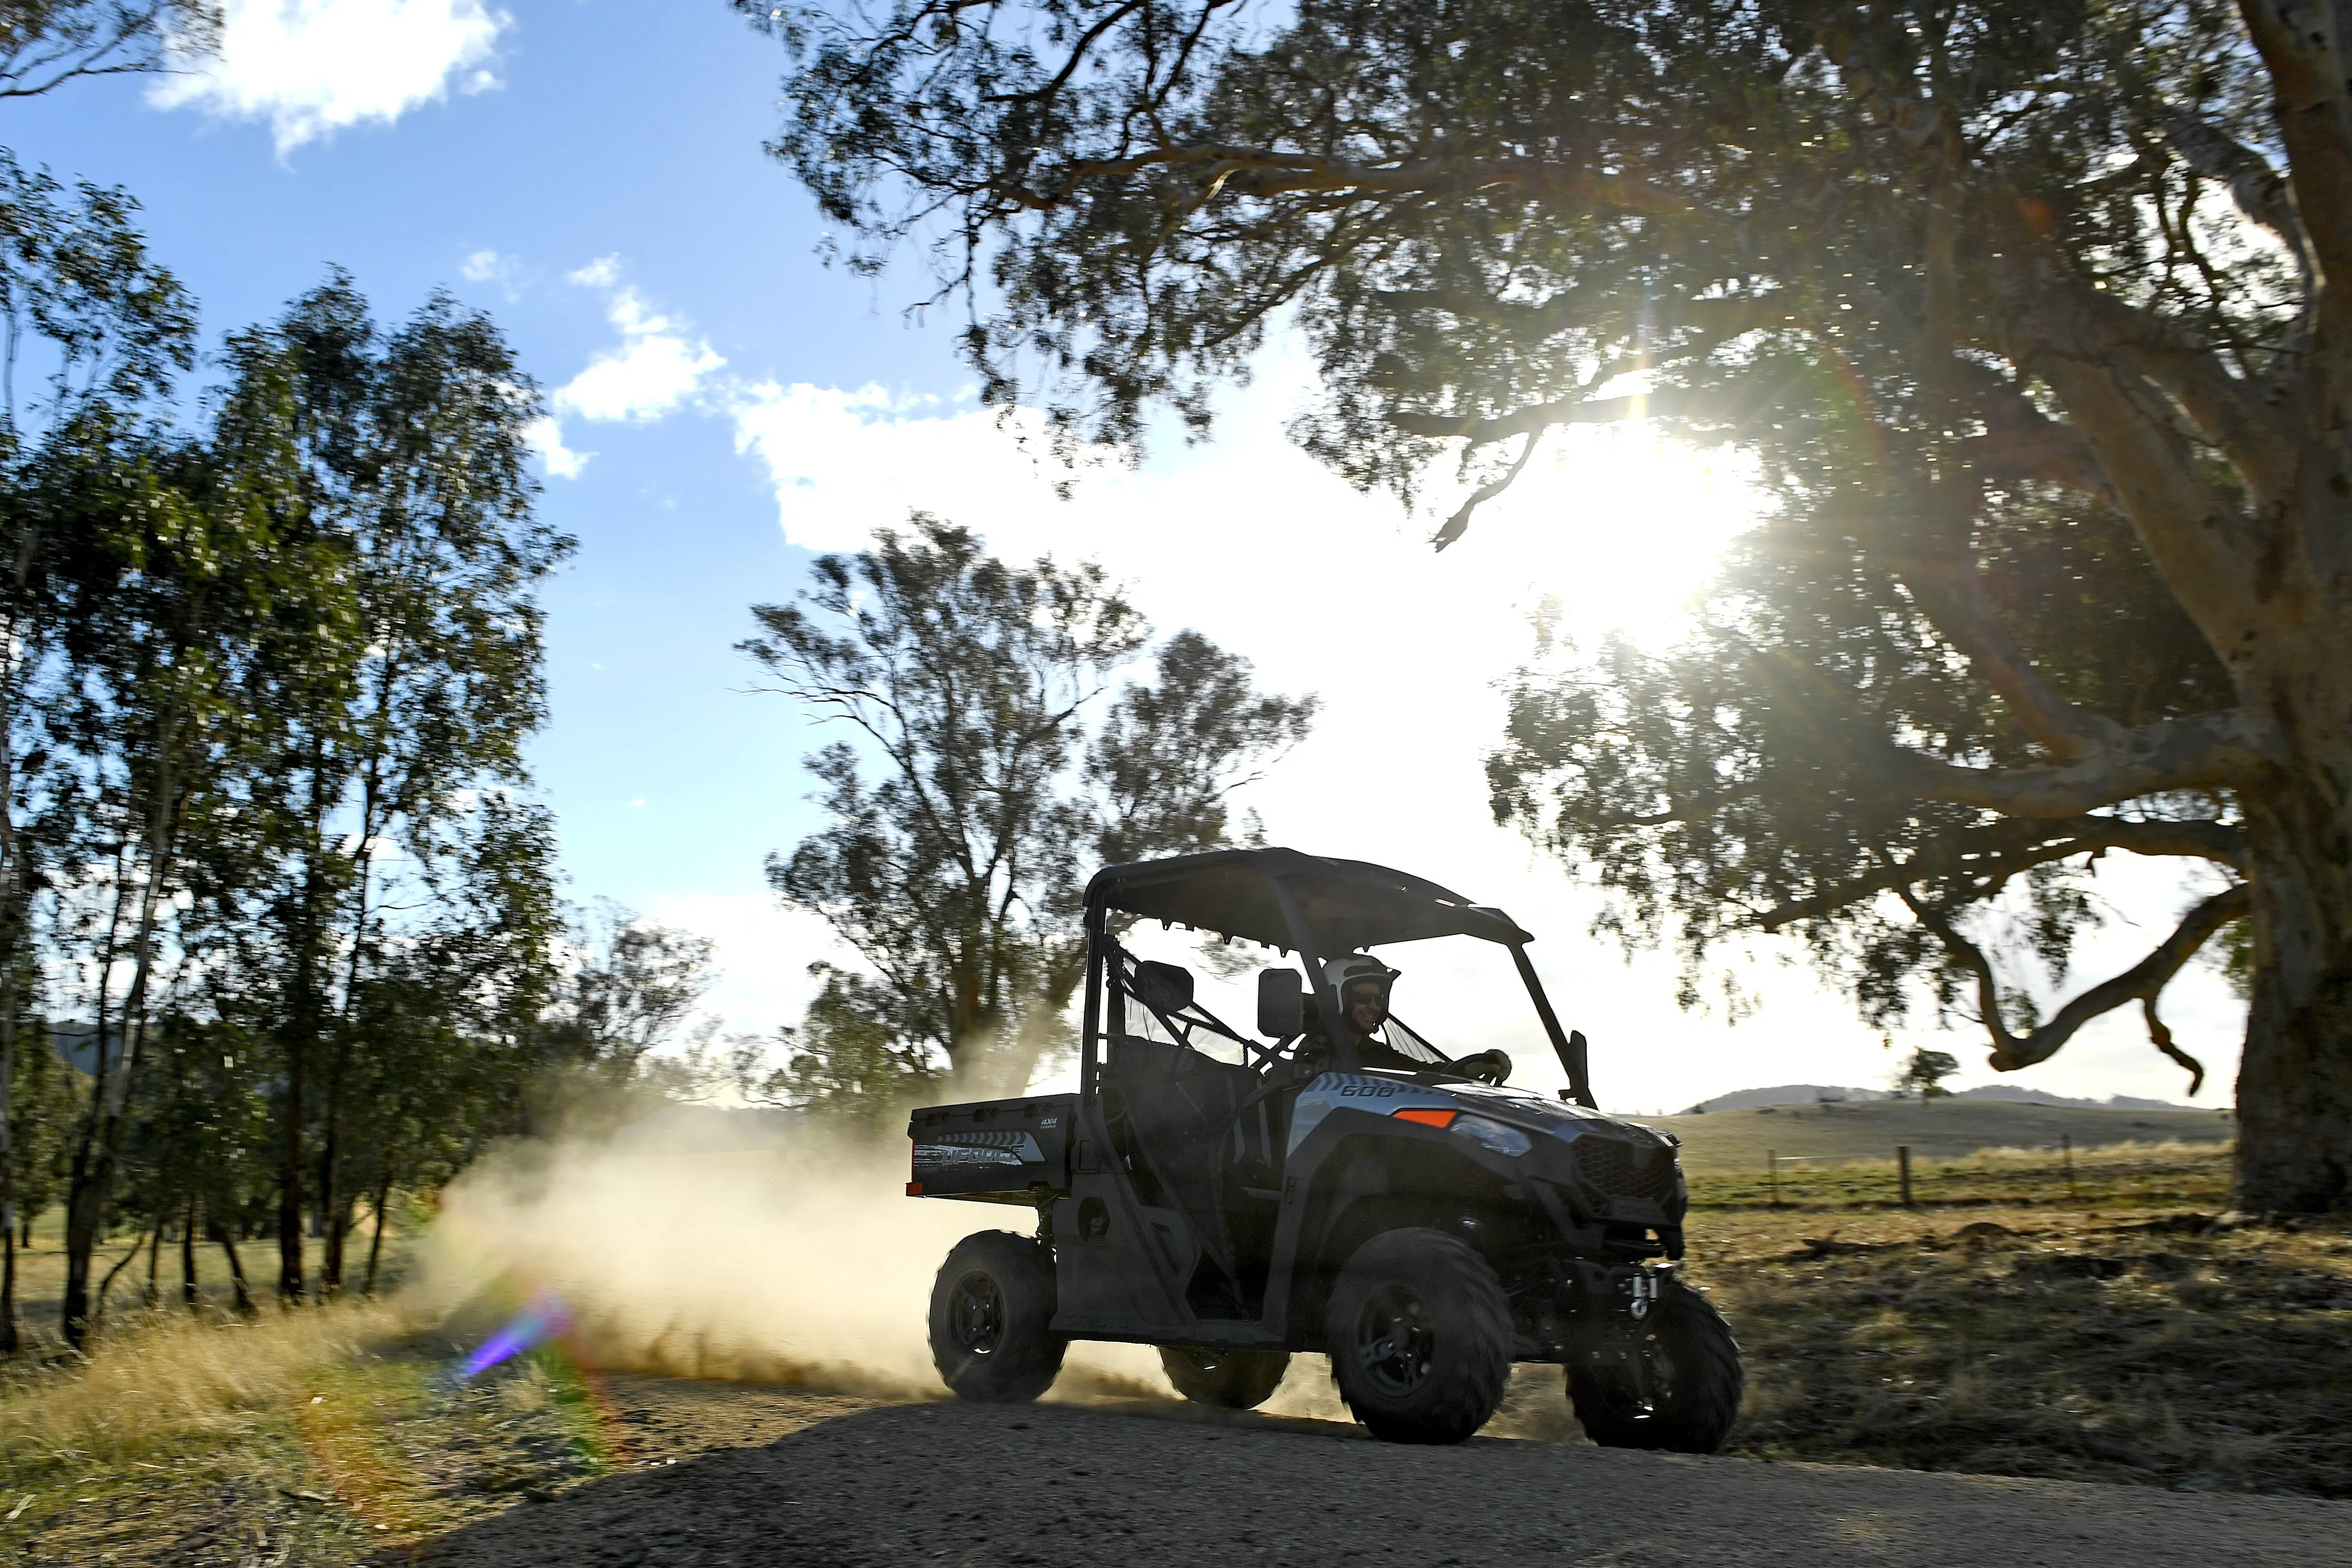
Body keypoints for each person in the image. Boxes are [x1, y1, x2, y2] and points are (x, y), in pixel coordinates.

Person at [1321, 955, 1510, 1083]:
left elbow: (1424, 1076)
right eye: (1363, 997)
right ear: (1334, 997)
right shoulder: (1317, 1057)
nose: (1374, 1006)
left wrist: (1472, 1068)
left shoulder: (1376, 1053)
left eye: (1379, 998)